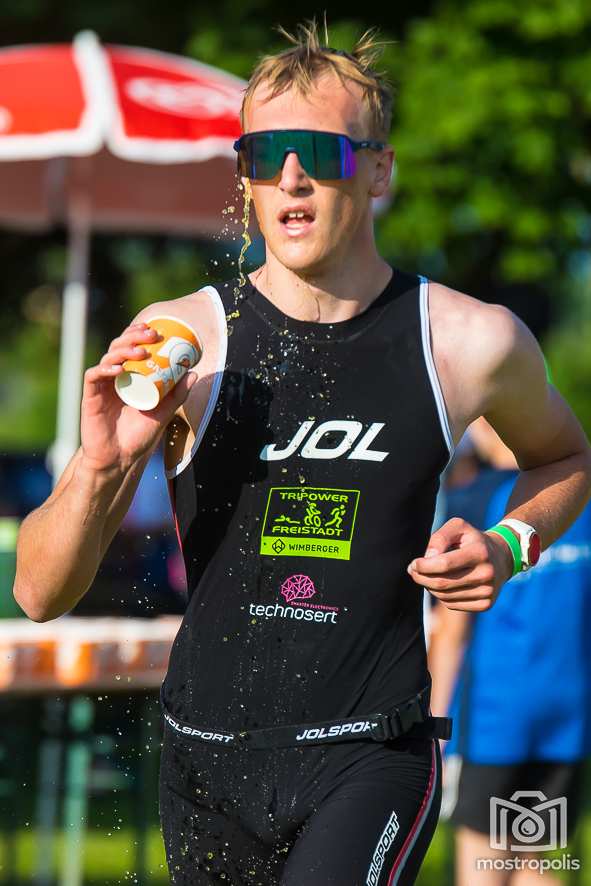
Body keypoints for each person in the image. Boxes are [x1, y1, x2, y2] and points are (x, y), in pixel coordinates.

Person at [13, 20, 591, 885]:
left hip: (370, 750)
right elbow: (37, 594)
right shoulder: (184, 340)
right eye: (262, 153)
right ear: (244, 177)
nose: (289, 175)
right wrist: (101, 464)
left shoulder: (466, 340)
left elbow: (566, 457)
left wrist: (510, 544)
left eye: (319, 151)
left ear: (379, 170)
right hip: (205, 759)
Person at [430, 418, 591, 885]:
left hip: (494, 722)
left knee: (484, 868)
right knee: (528, 863)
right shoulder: (576, 495)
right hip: (567, 716)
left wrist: (433, 727)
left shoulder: (478, 500)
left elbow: (452, 628)